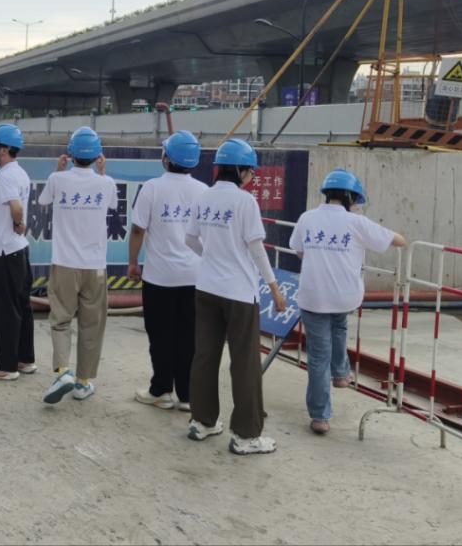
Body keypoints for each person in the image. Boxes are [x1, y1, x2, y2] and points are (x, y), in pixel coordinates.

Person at [184, 138, 286, 456]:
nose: (251, 176)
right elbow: (256, 248)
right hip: (239, 293)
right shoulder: (245, 202)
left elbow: (190, 240)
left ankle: (202, 421)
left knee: (204, 356)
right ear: (241, 170)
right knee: (244, 364)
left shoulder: (203, 197)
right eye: (250, 171)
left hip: (206, 288)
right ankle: (246, 435)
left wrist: (212, 257)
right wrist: (274, 287)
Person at [289, 169, 405, 434]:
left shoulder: (307, 217)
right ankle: (341, 374)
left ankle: (320, 417)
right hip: (344, 296)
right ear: (351, 197)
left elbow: (299, 251)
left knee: (318, 357)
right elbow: (399, 241)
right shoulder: (357, 223)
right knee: (339, 324)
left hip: (313, 296)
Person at [127, 130, 208, 411]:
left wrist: (133, 262)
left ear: (167, 158)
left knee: (160, 335)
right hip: (194, 277)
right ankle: (187, 395)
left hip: (159, 277)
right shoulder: (204, 191)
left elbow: (138, 229)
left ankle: (161, 390)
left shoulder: (152, 188)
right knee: (189, 336)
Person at [38, 127, 118, 404]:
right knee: (91, 324)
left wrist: (58, 169)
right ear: (97, 156)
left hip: (64, 264)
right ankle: (83, 382)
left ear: (70, 154)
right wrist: (103, 173)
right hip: (95, 266)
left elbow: (43, 201)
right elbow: (112, 205)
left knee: (60, 320)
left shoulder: (57, 179)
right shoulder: (106, 183)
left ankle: (63, 371)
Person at [0, 123, 35, 381]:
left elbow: (15, 208)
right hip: (19, 251)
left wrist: (18, 223)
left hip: (3, 253)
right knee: (22, 307)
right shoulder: (19, 173)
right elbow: (3, 210)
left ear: (3, 149)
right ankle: (24, 359)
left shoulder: (6, 176)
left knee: (2, 311)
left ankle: (5, 366)